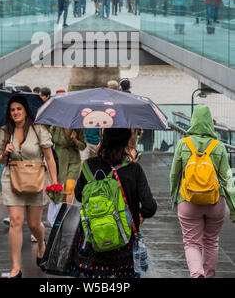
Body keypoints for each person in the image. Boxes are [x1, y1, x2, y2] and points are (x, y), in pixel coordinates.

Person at [70, 128, 157, 278]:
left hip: (93, 241)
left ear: (103, 140)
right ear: (125, 141)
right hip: (125, 243)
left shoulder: (88, 166)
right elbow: (150, 206)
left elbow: (78, 195)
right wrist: (141, 214)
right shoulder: (134, 169)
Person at [169, 104, 235, 278]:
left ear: (193, 121)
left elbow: (174, 174)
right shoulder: (219, 146)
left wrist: (174, 198)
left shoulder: (183, 144)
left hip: (188, 201)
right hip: (215, 201)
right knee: (211, 242)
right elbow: (228, 180)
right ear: (210, 123)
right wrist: (233, 209)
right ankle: (209, 275)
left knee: (191, 243)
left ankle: (197, 273)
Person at [0, 95, 57, 278]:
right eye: (12, 110)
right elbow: (1, 160)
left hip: (36, 178)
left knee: (33, 224)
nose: (15, 112)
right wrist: (5, 152)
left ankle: (41, 243)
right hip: (12, 178)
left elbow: (49, 157)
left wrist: (54, 182)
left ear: (25, 111)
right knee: (15, 221)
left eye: (19, 109)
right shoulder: (5, 131)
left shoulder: (38, 129)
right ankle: (16, 267)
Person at [51, 126, 86, 204]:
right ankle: (61, 208)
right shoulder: (55, 128)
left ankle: (68, 209)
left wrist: (75, 139)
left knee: (69, 187)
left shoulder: (78, 129)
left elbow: (83, 146)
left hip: (74, 161)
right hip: (59, 161)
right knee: (60, 188)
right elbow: (49, 142)